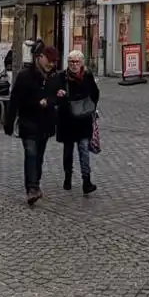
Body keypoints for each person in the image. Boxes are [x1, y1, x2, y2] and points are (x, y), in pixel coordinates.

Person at [4, 44, 66, 205]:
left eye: (54, 62)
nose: (51, 64)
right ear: (39, 57)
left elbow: (59, 96)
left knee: (38, 156)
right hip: (28, 121)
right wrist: (9, 122)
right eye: (49, 60)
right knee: (31, 153)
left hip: (45, 123)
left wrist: (54, 99)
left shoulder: (55, 77)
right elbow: (15, 100)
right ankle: (32, 188)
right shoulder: (25, 76)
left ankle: (35, 182)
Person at [59, 49, 100, 194]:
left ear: (82, 63)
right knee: (68, 151)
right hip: (68, 120)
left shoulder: (87, 76)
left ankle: (86, 181)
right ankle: (68, 177)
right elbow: (54, 93)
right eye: (71, 61)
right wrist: (60, 95)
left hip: (83, 119)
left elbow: (95, 93)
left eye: (77, 61)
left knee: (84, 149)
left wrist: (89, 107)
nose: (74, 64)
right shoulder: (62, 77)